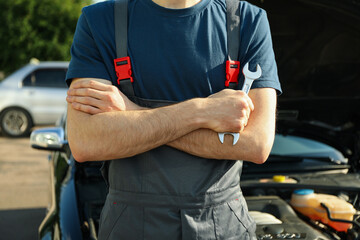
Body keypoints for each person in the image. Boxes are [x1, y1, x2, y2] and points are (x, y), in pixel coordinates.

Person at [66, 0, 282, 239]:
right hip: (129, 226)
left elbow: (256, 144)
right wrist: (201, 111)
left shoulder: (248, 21)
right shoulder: (98, 21)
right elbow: (86, 142)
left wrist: (131, 112)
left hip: (224, 226)